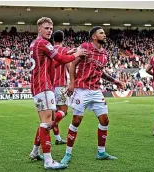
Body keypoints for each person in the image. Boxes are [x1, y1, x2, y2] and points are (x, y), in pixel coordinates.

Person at [27, 17, 86, 170]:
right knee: (47, 123)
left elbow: (53, 62)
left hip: (38, 86)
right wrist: (76, 54)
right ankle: (48, 161)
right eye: (46, 28)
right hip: (45, 87)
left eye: (51, 29)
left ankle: (35, 151)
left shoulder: (34, 44)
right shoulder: (44, 43)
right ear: (39, 28)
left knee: (48, 120)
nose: (49, 31)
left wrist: (70, 53)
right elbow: (60, 58)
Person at [60, 26, 124, 165]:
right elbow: (72, 65)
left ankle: (101, 152)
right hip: (81, 89)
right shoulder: (85, 47)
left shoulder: (105, 54)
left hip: (96, 90)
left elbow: (101, 72)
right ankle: (67, 154)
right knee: (76, 121)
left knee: (105, 120)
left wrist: (115, 80)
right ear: (94, 37)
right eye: (101, 33)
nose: (104, 35)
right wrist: (72, 83)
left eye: (104, 33)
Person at [50, 30, 78, 145]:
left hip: (50, 87)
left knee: (55, 112)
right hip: (60, 86)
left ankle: (57, 138)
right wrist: (72, 82)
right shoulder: (64, 50)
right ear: (63, 39)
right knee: (63, 111)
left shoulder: (49, 50)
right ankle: (48, 124)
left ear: (53, 39)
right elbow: (69, 67)